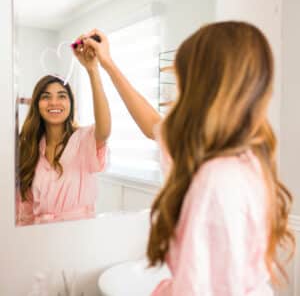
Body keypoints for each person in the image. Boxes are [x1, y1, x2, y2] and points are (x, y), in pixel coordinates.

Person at [82, 22, 295, 295]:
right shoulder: (242, 158)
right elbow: (152, 125)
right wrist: (106, 64)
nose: (174, 93)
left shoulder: (216, 180)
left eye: (181, 80)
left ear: (201, 88)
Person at [16, 37, 111, 225]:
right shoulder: (29, 149)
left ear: (70, 103)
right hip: (39, 241)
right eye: (46, 97)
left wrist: (92, 70)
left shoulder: (84, 140)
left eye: (61, 96)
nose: (54, 103)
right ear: (37, 104)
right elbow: (24, 211)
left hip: (78, 238)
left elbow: (105, 129)